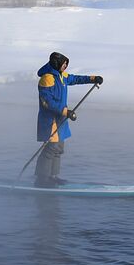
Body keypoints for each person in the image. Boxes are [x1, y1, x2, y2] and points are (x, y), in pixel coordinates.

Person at [35, 51, 103, 187]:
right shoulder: (47, 78)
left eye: (66, 64)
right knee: (51, 147)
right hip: (50, 120)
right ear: (56, 64)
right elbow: (47, 102)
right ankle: (42, 179)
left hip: (61, 118)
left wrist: (93, 78)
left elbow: (75, 79)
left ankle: (53, 176)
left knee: (59, 147)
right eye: (64, 64)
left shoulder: (61, 76)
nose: (65, 67)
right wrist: (66, 111)